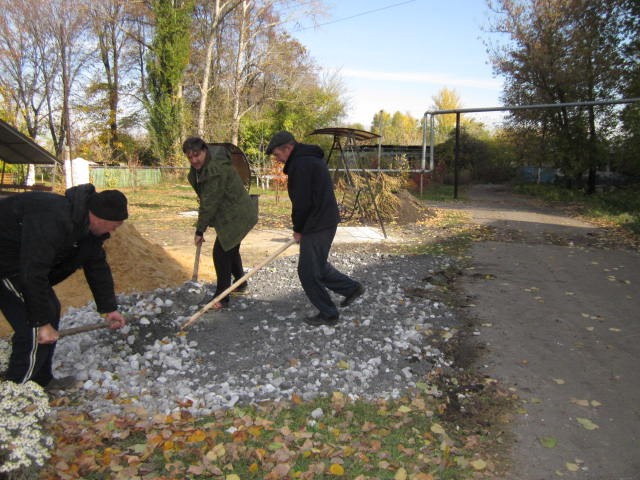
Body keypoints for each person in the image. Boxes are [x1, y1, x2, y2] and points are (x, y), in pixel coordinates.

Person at [0, 184, 128, 390]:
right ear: (99, 218)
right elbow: (33, 271)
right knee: (33, 326)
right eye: (115, 225)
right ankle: (16, 393)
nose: (114, 231)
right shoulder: (54, 218)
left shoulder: (86, 229)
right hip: (7, 264)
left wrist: (109, 308)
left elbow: (96, 266)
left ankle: (40, 382)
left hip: (23, 265)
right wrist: (41, 322)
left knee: (50, 309)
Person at [266, 131, 364, 326]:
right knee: (316, 265)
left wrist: (299, 228)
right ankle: (351, 288)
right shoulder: (307, 159)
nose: (277, 159)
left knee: (308, 271)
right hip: (323, 220)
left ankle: (328, 313)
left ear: (288, 148)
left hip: (317, 223)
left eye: (277, 154)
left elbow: (302, 203)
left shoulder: (300, 165)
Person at [183, 137, 258, 309]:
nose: (194, 160)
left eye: (196, 155)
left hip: (237, 213)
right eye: (189, 157)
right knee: (230, 247)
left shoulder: (215, 170)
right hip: (232, 210)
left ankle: (222, 297)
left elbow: (209, 203)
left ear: (205, 151)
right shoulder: (204, 165)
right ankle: (240, 283)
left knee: (221, 252)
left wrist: (200, 230)